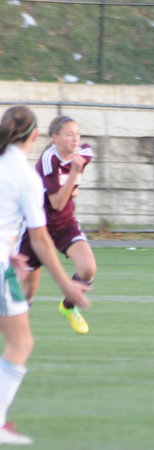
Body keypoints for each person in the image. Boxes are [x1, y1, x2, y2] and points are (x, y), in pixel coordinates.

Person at [0, 105, 91, 444]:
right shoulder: (27, 176)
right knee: (21, 342)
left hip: (6, 258)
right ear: (38, 136)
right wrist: (67, 285)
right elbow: (40, 240)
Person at [17, 115, 95, 334]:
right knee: (27, 291)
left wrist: (73, 184)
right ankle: (16, 330)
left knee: (88, 269)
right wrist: (74, 174)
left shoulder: (84, 152)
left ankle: (68, 308)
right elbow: (57, 203)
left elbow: (71, 192)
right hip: (37, 228)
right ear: (54, 137)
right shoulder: (48, 159)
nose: (75, 139)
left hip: (65, 224)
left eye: (77, 134)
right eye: (69, 134)